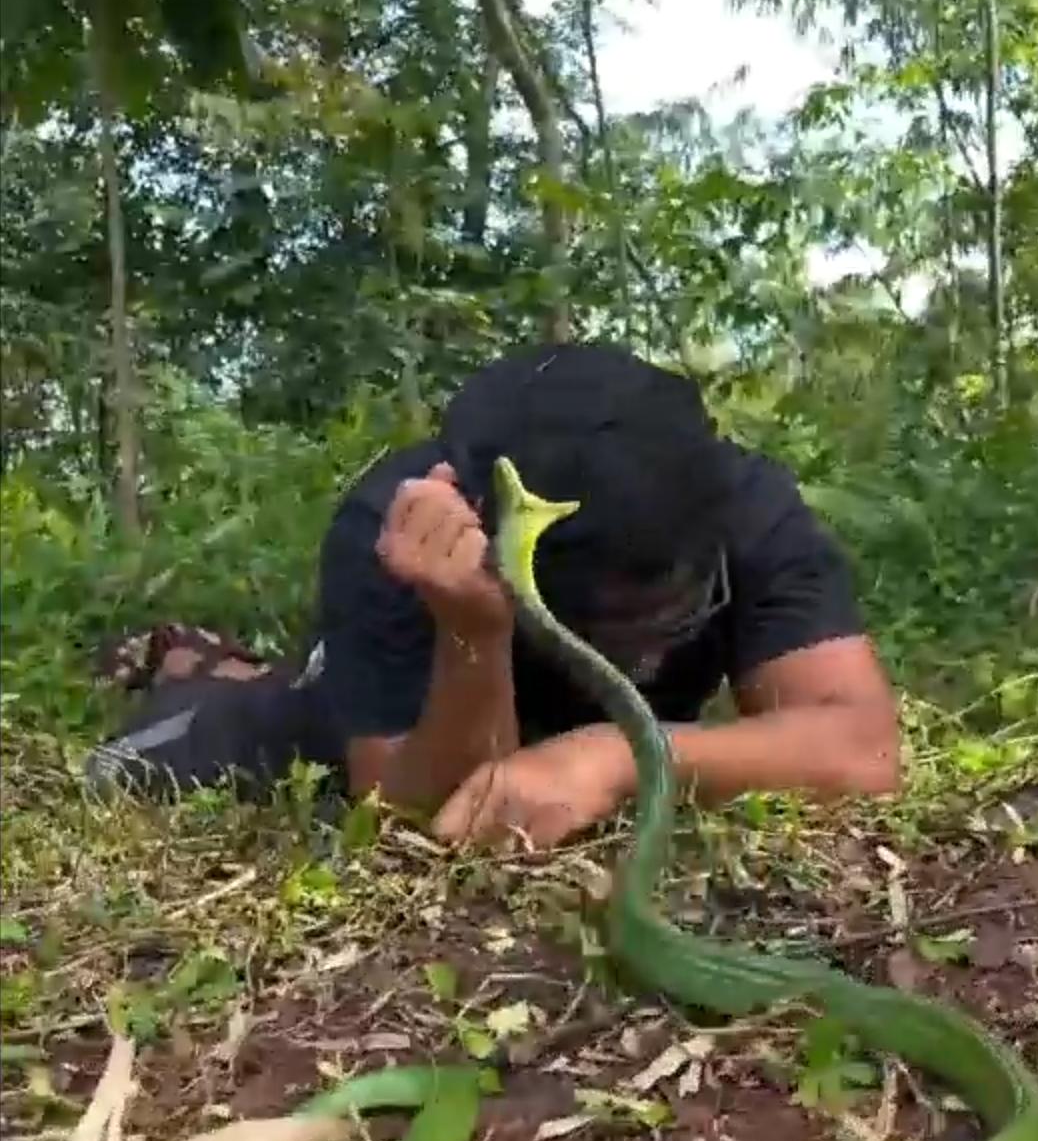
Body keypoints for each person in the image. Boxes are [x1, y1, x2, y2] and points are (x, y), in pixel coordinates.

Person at [87, 342, 900, 846]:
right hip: (394, 711)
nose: (645, 644)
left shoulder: (745, 503)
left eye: (667, 610)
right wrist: (472, 630)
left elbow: (862, 747)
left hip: (573, 732)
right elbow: (425, 813)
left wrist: (619, 756)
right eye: (608, 619)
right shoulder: (403, 528)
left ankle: (222, 658)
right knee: (126, 769)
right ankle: (198, 676)